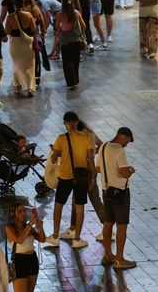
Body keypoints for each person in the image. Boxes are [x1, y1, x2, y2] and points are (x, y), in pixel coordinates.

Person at [45, 111, 94, 248]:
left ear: (65, 124)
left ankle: (55, 236)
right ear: (77, 122)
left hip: (65, 176)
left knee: (58, 206)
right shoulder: (85, 138)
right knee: (79, 208)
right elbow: (90, 159)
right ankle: (77, 239)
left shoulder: (61, 138)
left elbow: (54, 159)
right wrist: (93, 176)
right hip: (81, 177)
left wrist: (58, 153)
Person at [98, 127, 137, 269]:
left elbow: (98, 168)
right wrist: (131, 170)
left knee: (108, 223)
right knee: (121, 226)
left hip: (106, 190)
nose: (127, 144)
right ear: (124, 137)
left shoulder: (103, 147)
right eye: (128, 140)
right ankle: (120, 259)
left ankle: (108, 254)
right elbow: (124, 172)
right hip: (120, 192)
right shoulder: (120, 150)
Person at [5, 204, 45, 292]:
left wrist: (40, 226)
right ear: (14, 214)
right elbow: (20, 239)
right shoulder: (9, 228)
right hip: (19, 261)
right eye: (20, 211)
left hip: (32, 260)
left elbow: (42, 239)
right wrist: (31, 224)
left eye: (24, 211)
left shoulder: (27, 226)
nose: (23, 213)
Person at [5, 0, 37, 97]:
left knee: (16, 65)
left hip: (15, 45)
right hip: (27, 45)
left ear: (14, 6)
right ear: (22, 5)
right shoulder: (28, 15)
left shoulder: (10, 17)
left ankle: (17, 87)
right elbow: (33, 28)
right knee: (30, 66)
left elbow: (7, 31)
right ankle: (30, 88)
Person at [55, 0, 86, 90]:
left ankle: (71, 82)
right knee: (75, 61)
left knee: (67, 62)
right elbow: (84, 26)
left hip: (65, 41)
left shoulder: (60, 14)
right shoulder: (76, 13)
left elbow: (57, 27)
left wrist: (61, 27)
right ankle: (76, 80)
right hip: (76, 40)